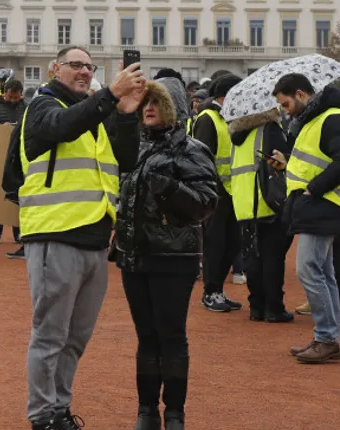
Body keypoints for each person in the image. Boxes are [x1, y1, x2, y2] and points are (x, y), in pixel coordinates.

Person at [8, 46, 144, 430]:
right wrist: (110, 96)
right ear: (54, 69)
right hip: (56, 232)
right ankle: (41, 416)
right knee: (50, 336)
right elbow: (60, 128)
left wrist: (128, 116)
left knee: (75, 338)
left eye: (89, 66)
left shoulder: (96, 116)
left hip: (94, 238)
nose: (84, 71)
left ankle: (58, 409)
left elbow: (126, 161)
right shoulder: (43, 105)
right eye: (75, 65)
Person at [114, 81, 219, 430]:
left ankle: (174, 413)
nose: (148, 108)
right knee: (146, 336)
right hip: (135, 258)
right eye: (145, 103)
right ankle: (146, 411)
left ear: (173, 106)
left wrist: (169, 188)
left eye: (156, 102)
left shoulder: (192, 149)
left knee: (171, 336)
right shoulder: (136, 148)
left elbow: (206, 202)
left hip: (174, 258)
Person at [273, 73, 340, 364]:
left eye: (286, 103)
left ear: (301, 94)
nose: (284, 109)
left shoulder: (331, 118)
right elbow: (315, 162)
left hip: (323, 204)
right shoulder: (313, 121)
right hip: (318, 204)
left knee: (308, 269)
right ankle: (326, 338)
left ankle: (327, 339)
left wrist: (313, 189)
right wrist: (286, 164)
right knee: (323, 272)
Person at [229, 108, 294, 322]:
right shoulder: (270, 129)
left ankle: (256, 307)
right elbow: (283, 160)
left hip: (244, 203)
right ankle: (274, 308)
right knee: (272, 257)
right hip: (267, 201)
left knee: (252, 257)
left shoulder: (237, 135)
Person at [188, 73, 244, 313]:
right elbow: (201, 158)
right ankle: (211, 292)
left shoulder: (229, 118)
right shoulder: (208, 118)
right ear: (226, 96)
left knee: (232, 244)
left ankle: (218, 290)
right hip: (215, 194)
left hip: (232, 192)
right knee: (215, 245)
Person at [0, 78, 28, 245]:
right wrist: (1, 127)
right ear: (4, 93)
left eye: (16, 97)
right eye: (11, 97)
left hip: (19, 156)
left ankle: (19, 230)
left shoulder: (26, 106)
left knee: (18, 192)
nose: (14, 100)